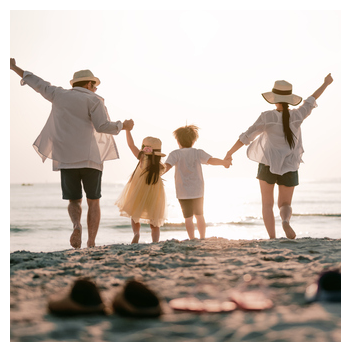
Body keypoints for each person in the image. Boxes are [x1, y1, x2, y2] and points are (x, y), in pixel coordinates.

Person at [10, 58, 134, 249]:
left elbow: (36, 82)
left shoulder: (58, 94)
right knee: (94, 201)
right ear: (88, 84)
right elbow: (102, 126)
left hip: (66, 159)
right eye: (95, 85)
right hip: (90, 158)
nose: (96, 89)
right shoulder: (93, 100)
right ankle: (91, 242)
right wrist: (123, 126)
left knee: (74, 200)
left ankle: (76, 225)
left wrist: (14, 67)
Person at [225, 74, 334, 239]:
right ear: (289, 99)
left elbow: (246, 137)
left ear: (274, 99)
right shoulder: (298, 115)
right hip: (290, 165)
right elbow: (311, 99)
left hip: (267, 164)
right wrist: (325, 83)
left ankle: (272, 238)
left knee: (267, 204)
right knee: (285, 204)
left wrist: (229, 153)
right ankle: (285, 221)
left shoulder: (267, 117)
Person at [164, 125, 231, 240]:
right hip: (197, 190)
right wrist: (224, 162)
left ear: (178, 141)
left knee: (188, 217)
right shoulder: (197, 152)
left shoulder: (175, 154)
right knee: (200, 215)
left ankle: (191, 238)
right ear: (194, 141)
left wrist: (155, 174)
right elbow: (211, 160)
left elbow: (166, 167)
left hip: (183, 191)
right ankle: (202, 237)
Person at [116, 131, 167, 243]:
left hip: (139, 189)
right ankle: (155, 241)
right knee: (154, 220)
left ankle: (136, 233)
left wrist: (128, 131)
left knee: (135, 214)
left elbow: (131, 145)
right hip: (154, 193)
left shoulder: (142, 157)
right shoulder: (160, 166)